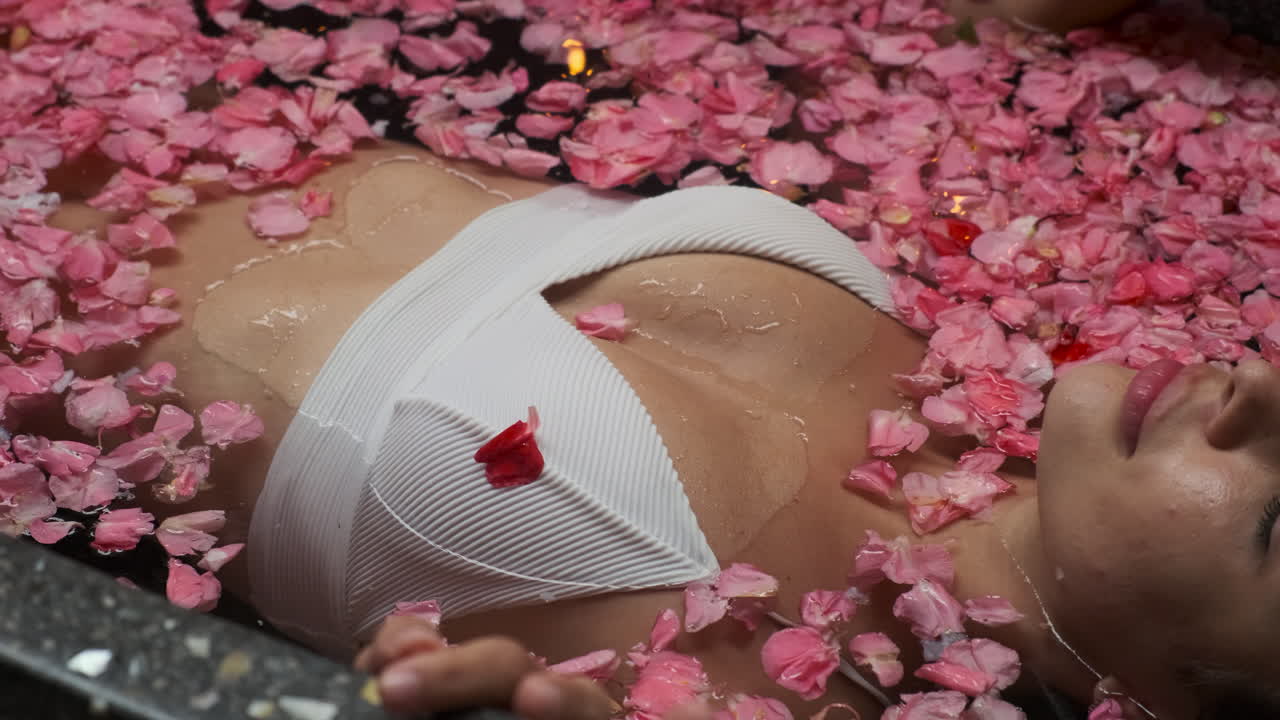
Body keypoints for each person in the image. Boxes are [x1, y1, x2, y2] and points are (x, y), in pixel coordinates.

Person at [44, 0, 1280, 719]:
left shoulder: (777, 695)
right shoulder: (979, 357)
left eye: (1277, 521)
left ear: (1188, 698)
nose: (1259, 395)